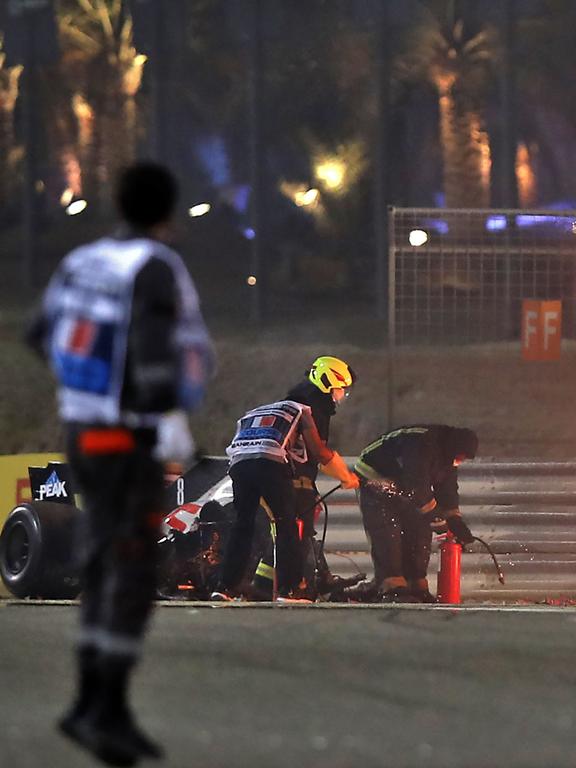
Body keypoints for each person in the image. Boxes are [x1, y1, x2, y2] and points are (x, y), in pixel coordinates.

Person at [26, 162, 214, 766]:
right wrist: (168, 422)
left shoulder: (81, 262)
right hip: (126, 437)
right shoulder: (153, 265)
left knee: (106, 564)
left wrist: (84, 389)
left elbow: (38, 333)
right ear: (169, 213)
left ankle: (94, 702)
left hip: (82, 431)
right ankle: (103, 706)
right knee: (132, 573)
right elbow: (156, 356)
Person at [216, 395, 359, 600]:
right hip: (270, 462)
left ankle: (225, 587)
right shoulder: (301, 410)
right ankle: (290, 589)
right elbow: (319, 452)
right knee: (287, 525)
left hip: (239, 464)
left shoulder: (255, 413)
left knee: (242, 526)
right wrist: (346, 476)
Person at [248, 356, 358, 599]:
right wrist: (345, 476)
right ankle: (297, 587)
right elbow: (318, 452)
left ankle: (261, 588)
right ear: (329, 382)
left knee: (286, 537)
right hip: (292, 483)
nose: (342, 395)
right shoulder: (310, 408)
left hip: (283, 478)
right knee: (299, 536)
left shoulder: (295, 402)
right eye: (342, 389)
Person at [353, 425, 478, 602]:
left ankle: (416, 583)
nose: (460, 461)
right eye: (460, 457)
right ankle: (391, 585)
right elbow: (417, 486)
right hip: (375, 476)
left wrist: (455, 520)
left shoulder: (448, 457)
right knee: (388, 531)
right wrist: (439, 522)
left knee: (420, 529)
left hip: (404, 483)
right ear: (453, 449)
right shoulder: (422, 444)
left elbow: (447, 491)